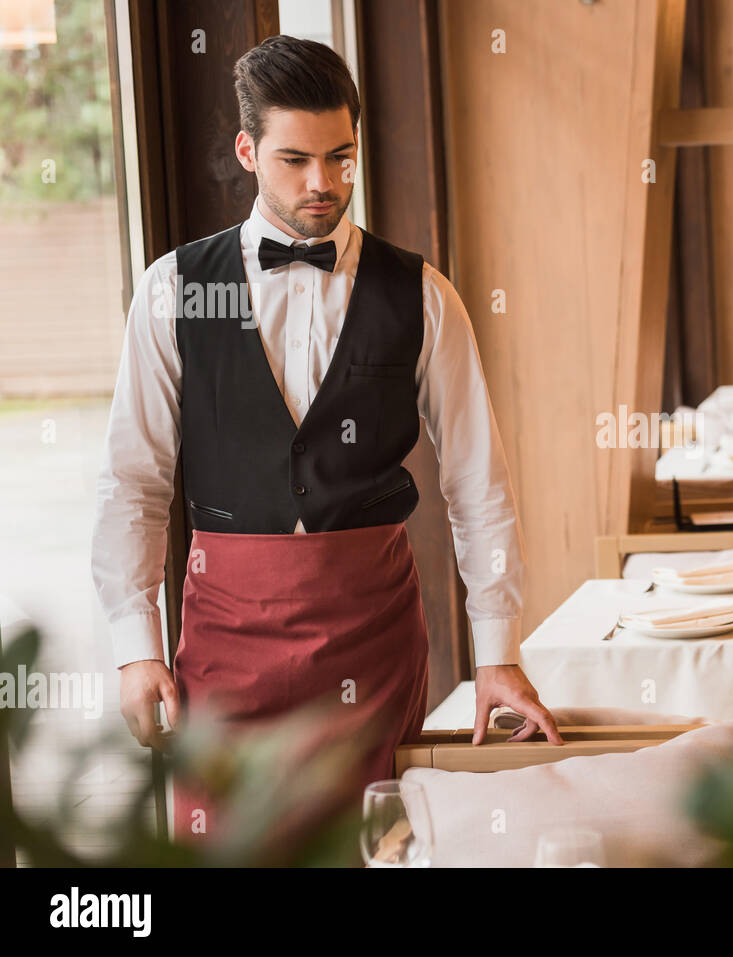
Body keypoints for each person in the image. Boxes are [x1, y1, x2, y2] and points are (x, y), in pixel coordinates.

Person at [90, 35, 559, 846]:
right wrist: (137, 647)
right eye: (295, 159)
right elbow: (133, 482)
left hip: (370, 648)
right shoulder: (172, 291)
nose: (324, 183)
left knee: (373, 850)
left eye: (342, 157)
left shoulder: (422, 294)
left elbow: (478, 482)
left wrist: (498, 651)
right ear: (247, 150)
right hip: (225, 645)